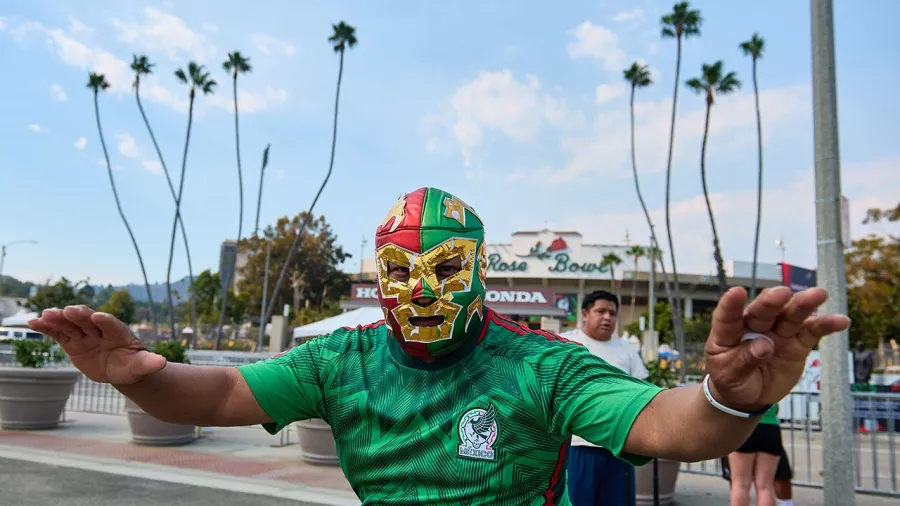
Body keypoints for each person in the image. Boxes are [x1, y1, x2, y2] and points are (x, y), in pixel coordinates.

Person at [28, 187, 850, 505]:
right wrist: (139, 377)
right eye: (400, 269)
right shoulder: (337, 361)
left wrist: (731, 396)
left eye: (445, 267)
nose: (420, 289)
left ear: (480, 271)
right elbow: (216, 398)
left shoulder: (541, 363)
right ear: (377, 275)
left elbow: (661, 426)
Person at [560, 290, 647, 505]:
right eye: (600, 311)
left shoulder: (627, 351)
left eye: (612, 313)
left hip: (618, 448)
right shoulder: (565, 345)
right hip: (576, 447)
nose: (607, 317)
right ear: (585, 314)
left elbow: (643, 393)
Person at [727, 404, 786, 506]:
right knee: (765, 486)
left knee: (740, 484)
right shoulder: (771, 387)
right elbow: (776, 409)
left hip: (744, 426)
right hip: (770, 427)